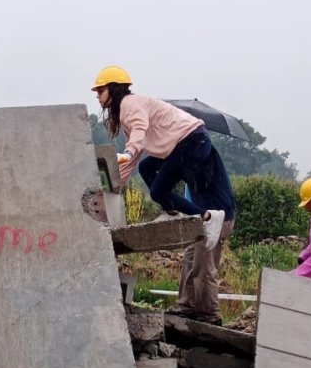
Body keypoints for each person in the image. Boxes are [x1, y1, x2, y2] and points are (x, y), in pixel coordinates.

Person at [93, 65, 234, 325]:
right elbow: (136, 156)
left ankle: (209, 313)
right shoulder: (132, 109)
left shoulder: (130, 104)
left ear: (114, 89)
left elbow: (139, 131)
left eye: (100, 91)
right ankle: (187, 305)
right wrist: (116, 186)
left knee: (159, 191)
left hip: (195, 152)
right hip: (189, 144)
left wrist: (130, 149)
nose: (98, 97)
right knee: (148, 168)